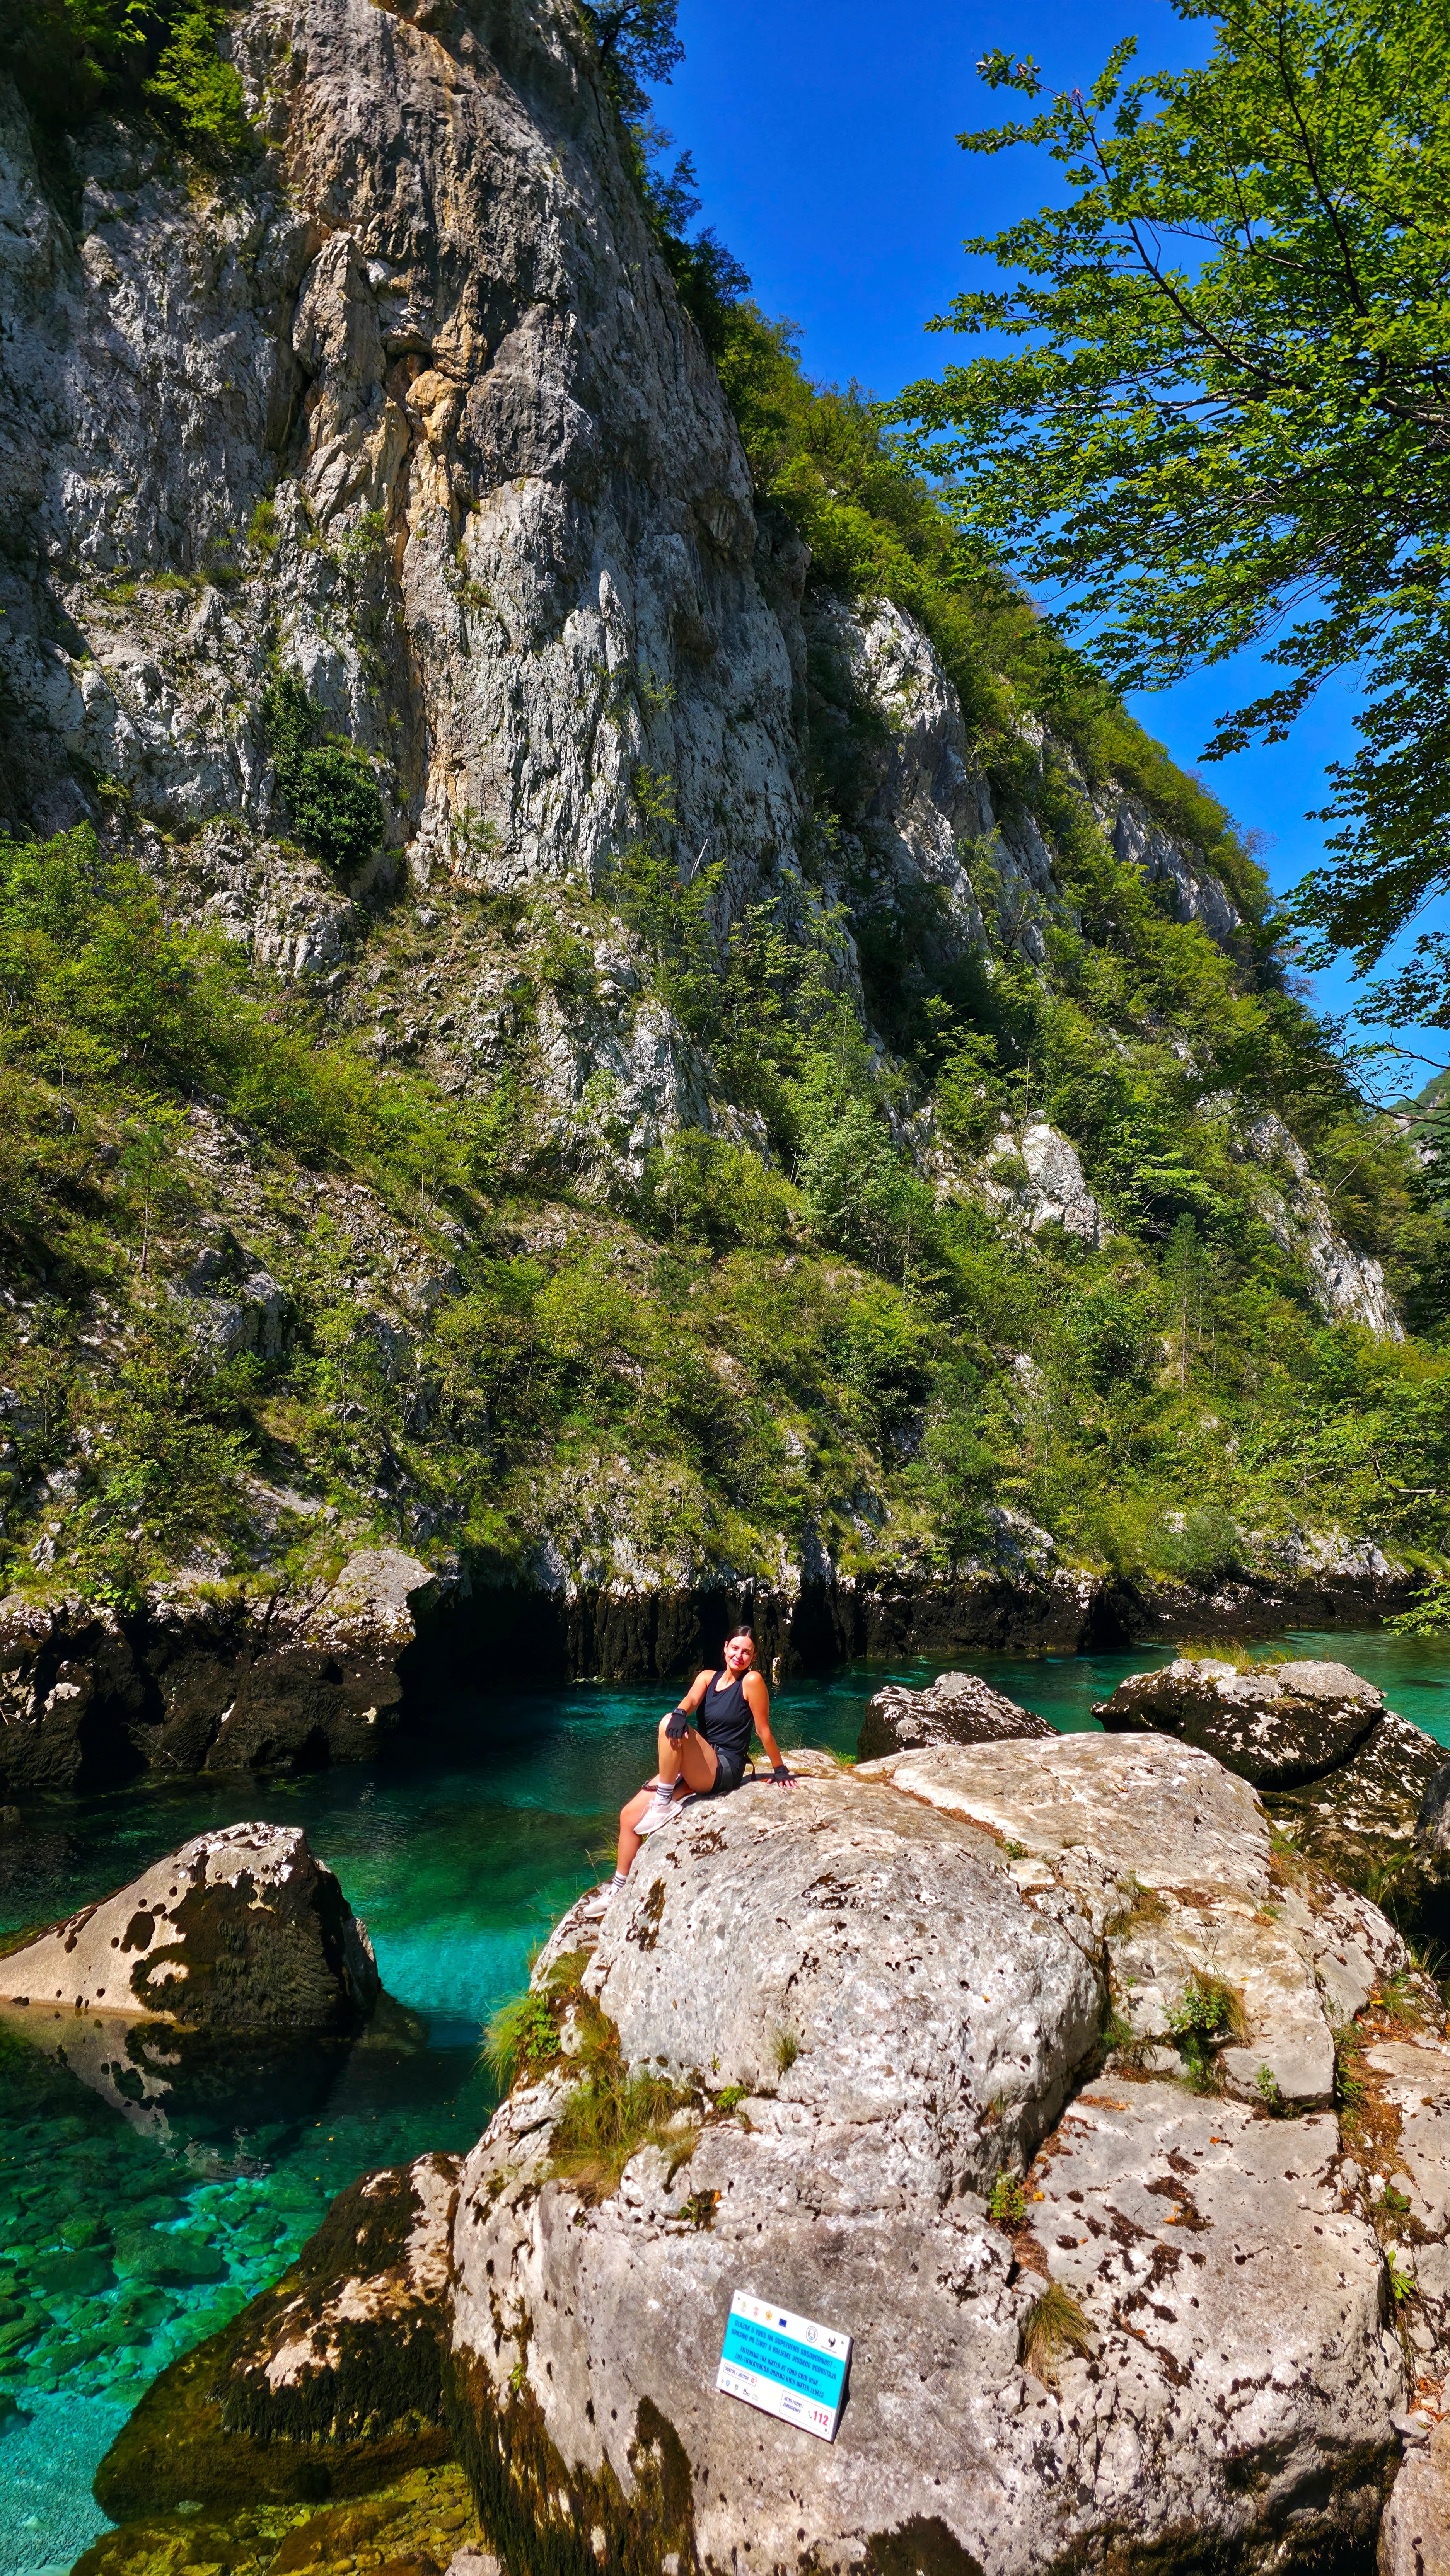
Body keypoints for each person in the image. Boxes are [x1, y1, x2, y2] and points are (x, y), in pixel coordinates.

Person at [593, 1627, 793, 1907]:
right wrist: (680, 1713)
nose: (739, 1655)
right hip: (699, 1761)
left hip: (724, 1766)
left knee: (666, 1725)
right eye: (735, 1648)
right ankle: (618, 1888)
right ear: (725, 1648)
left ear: (754, 1656)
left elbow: (763, 1730)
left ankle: (664, 1800)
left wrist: (780, 1770)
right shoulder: (707, 1677)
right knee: (628, 1817)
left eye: (746, 1651)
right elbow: (690, 1701)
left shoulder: (752, 1681)